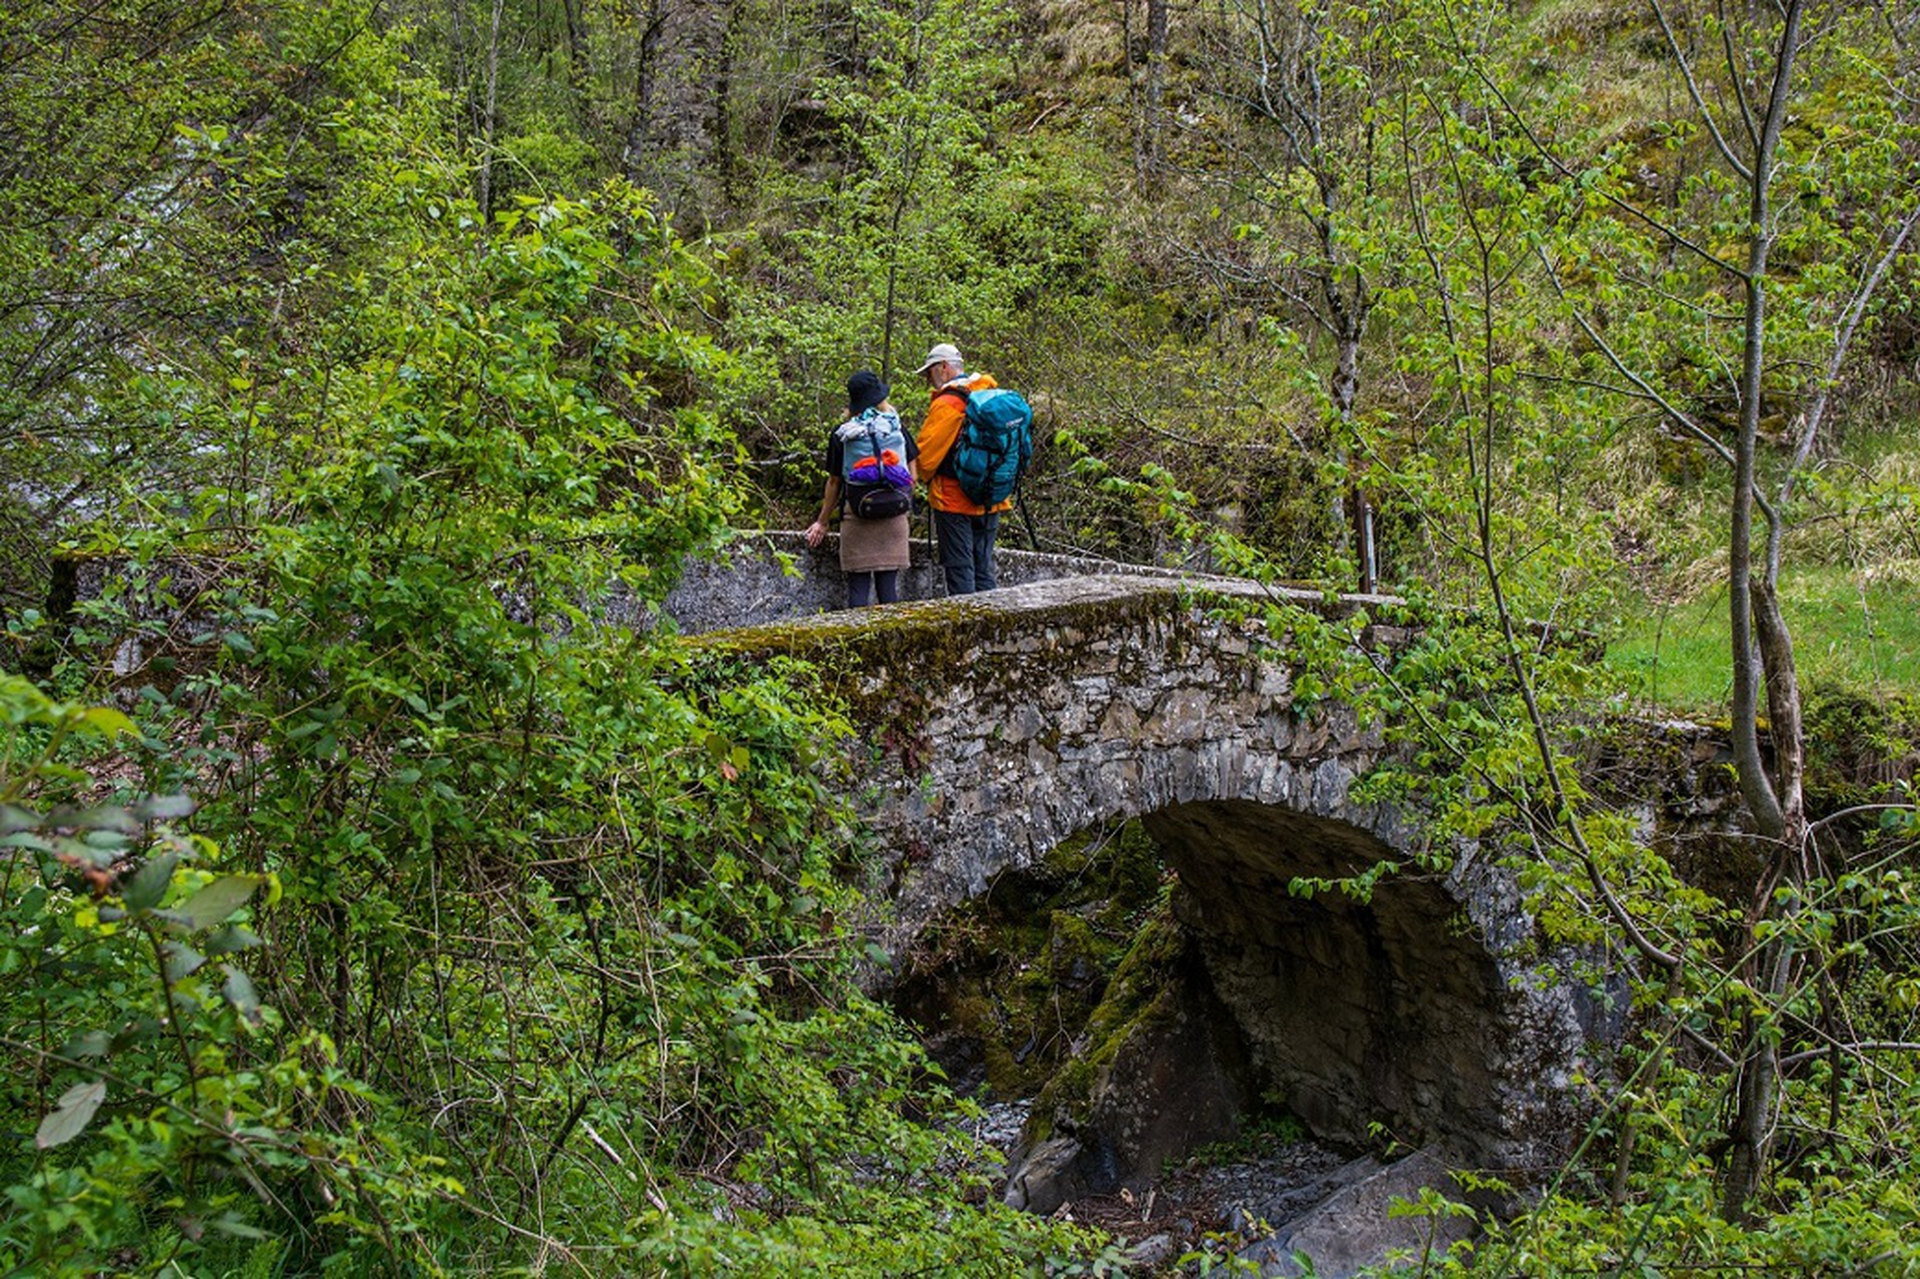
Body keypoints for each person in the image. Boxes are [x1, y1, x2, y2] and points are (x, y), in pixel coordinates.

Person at [805, 369, 917, 607]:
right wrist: (903, 504)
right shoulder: (896, 427)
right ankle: (892, 641)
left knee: (858, 589)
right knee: (888, 591)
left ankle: (858, 643)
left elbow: (835, 482)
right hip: (894, 517)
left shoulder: (842, 434)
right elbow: (912, 474)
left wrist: (822, 522)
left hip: (857, 515)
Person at [912, 342, 1011, 595]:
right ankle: (992, 626)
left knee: (960, 569)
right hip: (992, 495)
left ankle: (968, 631)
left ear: (943, 367)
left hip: (953, 500)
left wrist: (920, 477)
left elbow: (925, 459)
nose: (928, 380)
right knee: (983, 568)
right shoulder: (990, 393)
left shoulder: (948, 402)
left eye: (929, 373)